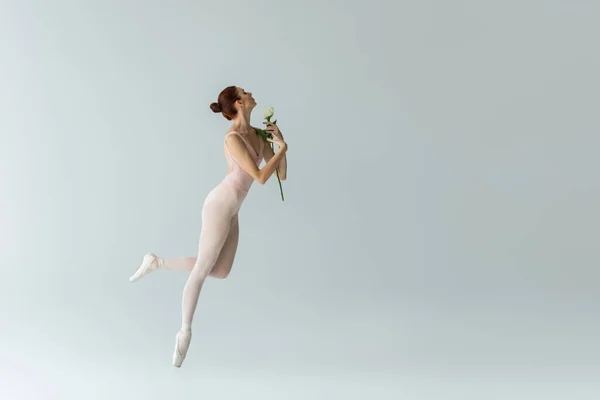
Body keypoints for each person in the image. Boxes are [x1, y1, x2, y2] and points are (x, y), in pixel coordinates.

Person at [129, 86, 288, 367]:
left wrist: (279, 143)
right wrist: (282, 149)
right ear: (239, 103)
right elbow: (261, 177)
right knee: (202, 271)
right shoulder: (233, 138)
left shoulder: (257, 137)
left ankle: (156, 262)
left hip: (233, 209)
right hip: (219, 205)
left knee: (222, 271)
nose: (251, 93)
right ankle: (184, 333)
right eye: (246, 92)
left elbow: (281, 174)